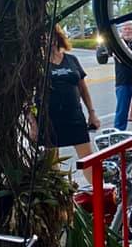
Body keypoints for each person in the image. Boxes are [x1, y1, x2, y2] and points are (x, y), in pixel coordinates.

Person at [42, 25, 99, 183]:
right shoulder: (37, 64)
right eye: (44, 36)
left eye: (50, 35)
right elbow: (26, 94)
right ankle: (61, 200)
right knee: (52, 164)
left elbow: (83, 88)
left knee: (88, 159)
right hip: (50, 120)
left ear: (57, 37)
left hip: (74, 117)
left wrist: (92, 113)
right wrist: (33, 122)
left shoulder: (71, 59)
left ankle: (100, 195)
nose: (47, 39)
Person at [113, 21, 132, 131]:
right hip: (122, 81)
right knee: (122, 109)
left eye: (130, 29)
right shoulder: (117, 45)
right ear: (121, 31)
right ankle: (118, 133)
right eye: (125, 29)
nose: (128, 31)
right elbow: (121, 58)